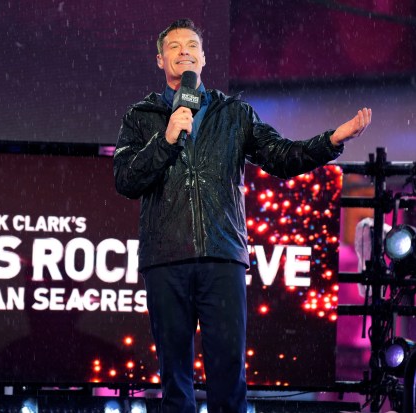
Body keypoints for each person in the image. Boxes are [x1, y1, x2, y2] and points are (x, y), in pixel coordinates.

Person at [113, 18, 371, 413]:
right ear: (160, 60)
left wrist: (332, 140)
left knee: (229, 375)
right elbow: (126, 179)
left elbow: (282, 157)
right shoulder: (141, 116)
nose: (184, 52)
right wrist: (164, 140)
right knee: (174, 380)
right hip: (166, 259)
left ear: (203, 57)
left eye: (192, 46)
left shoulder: (234, 113)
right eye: (175, 46)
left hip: (222, 257)